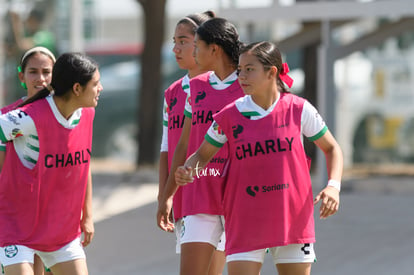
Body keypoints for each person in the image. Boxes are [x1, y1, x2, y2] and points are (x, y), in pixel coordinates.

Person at [174, 41, 344, 275]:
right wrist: (188, 169)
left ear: (271, 72)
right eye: (240, 70)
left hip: (292, 221)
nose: (241, 76)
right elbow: (202, 154)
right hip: (245, 222)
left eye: (249, 69)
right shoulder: (228, 116)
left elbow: (332, 148)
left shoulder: (298, 109)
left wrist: (333, 186)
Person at [0, 52, 102, 275]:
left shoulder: (87, 115)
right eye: (95, 84)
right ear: (77, 88)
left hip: (61, 233)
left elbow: (84, 167)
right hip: (18, 230)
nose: (100, 88)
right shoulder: (28, 118)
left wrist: (88, 216)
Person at [157, 17, 245, 275]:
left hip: (238, 198)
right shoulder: (193, 89)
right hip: (199, 197)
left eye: (196, 45)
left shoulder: (248, 85)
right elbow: (181, 147)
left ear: (214, 49)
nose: (192, 52)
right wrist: (167, 194)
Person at [0, 46, 56, 275]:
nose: (40, 78)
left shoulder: (65, 115)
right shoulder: (8, 116)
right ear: (21, 76)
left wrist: (86, 215)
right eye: (33, 72)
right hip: (16, 215)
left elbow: (80, 167)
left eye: (46, 71)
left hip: (54, 214)